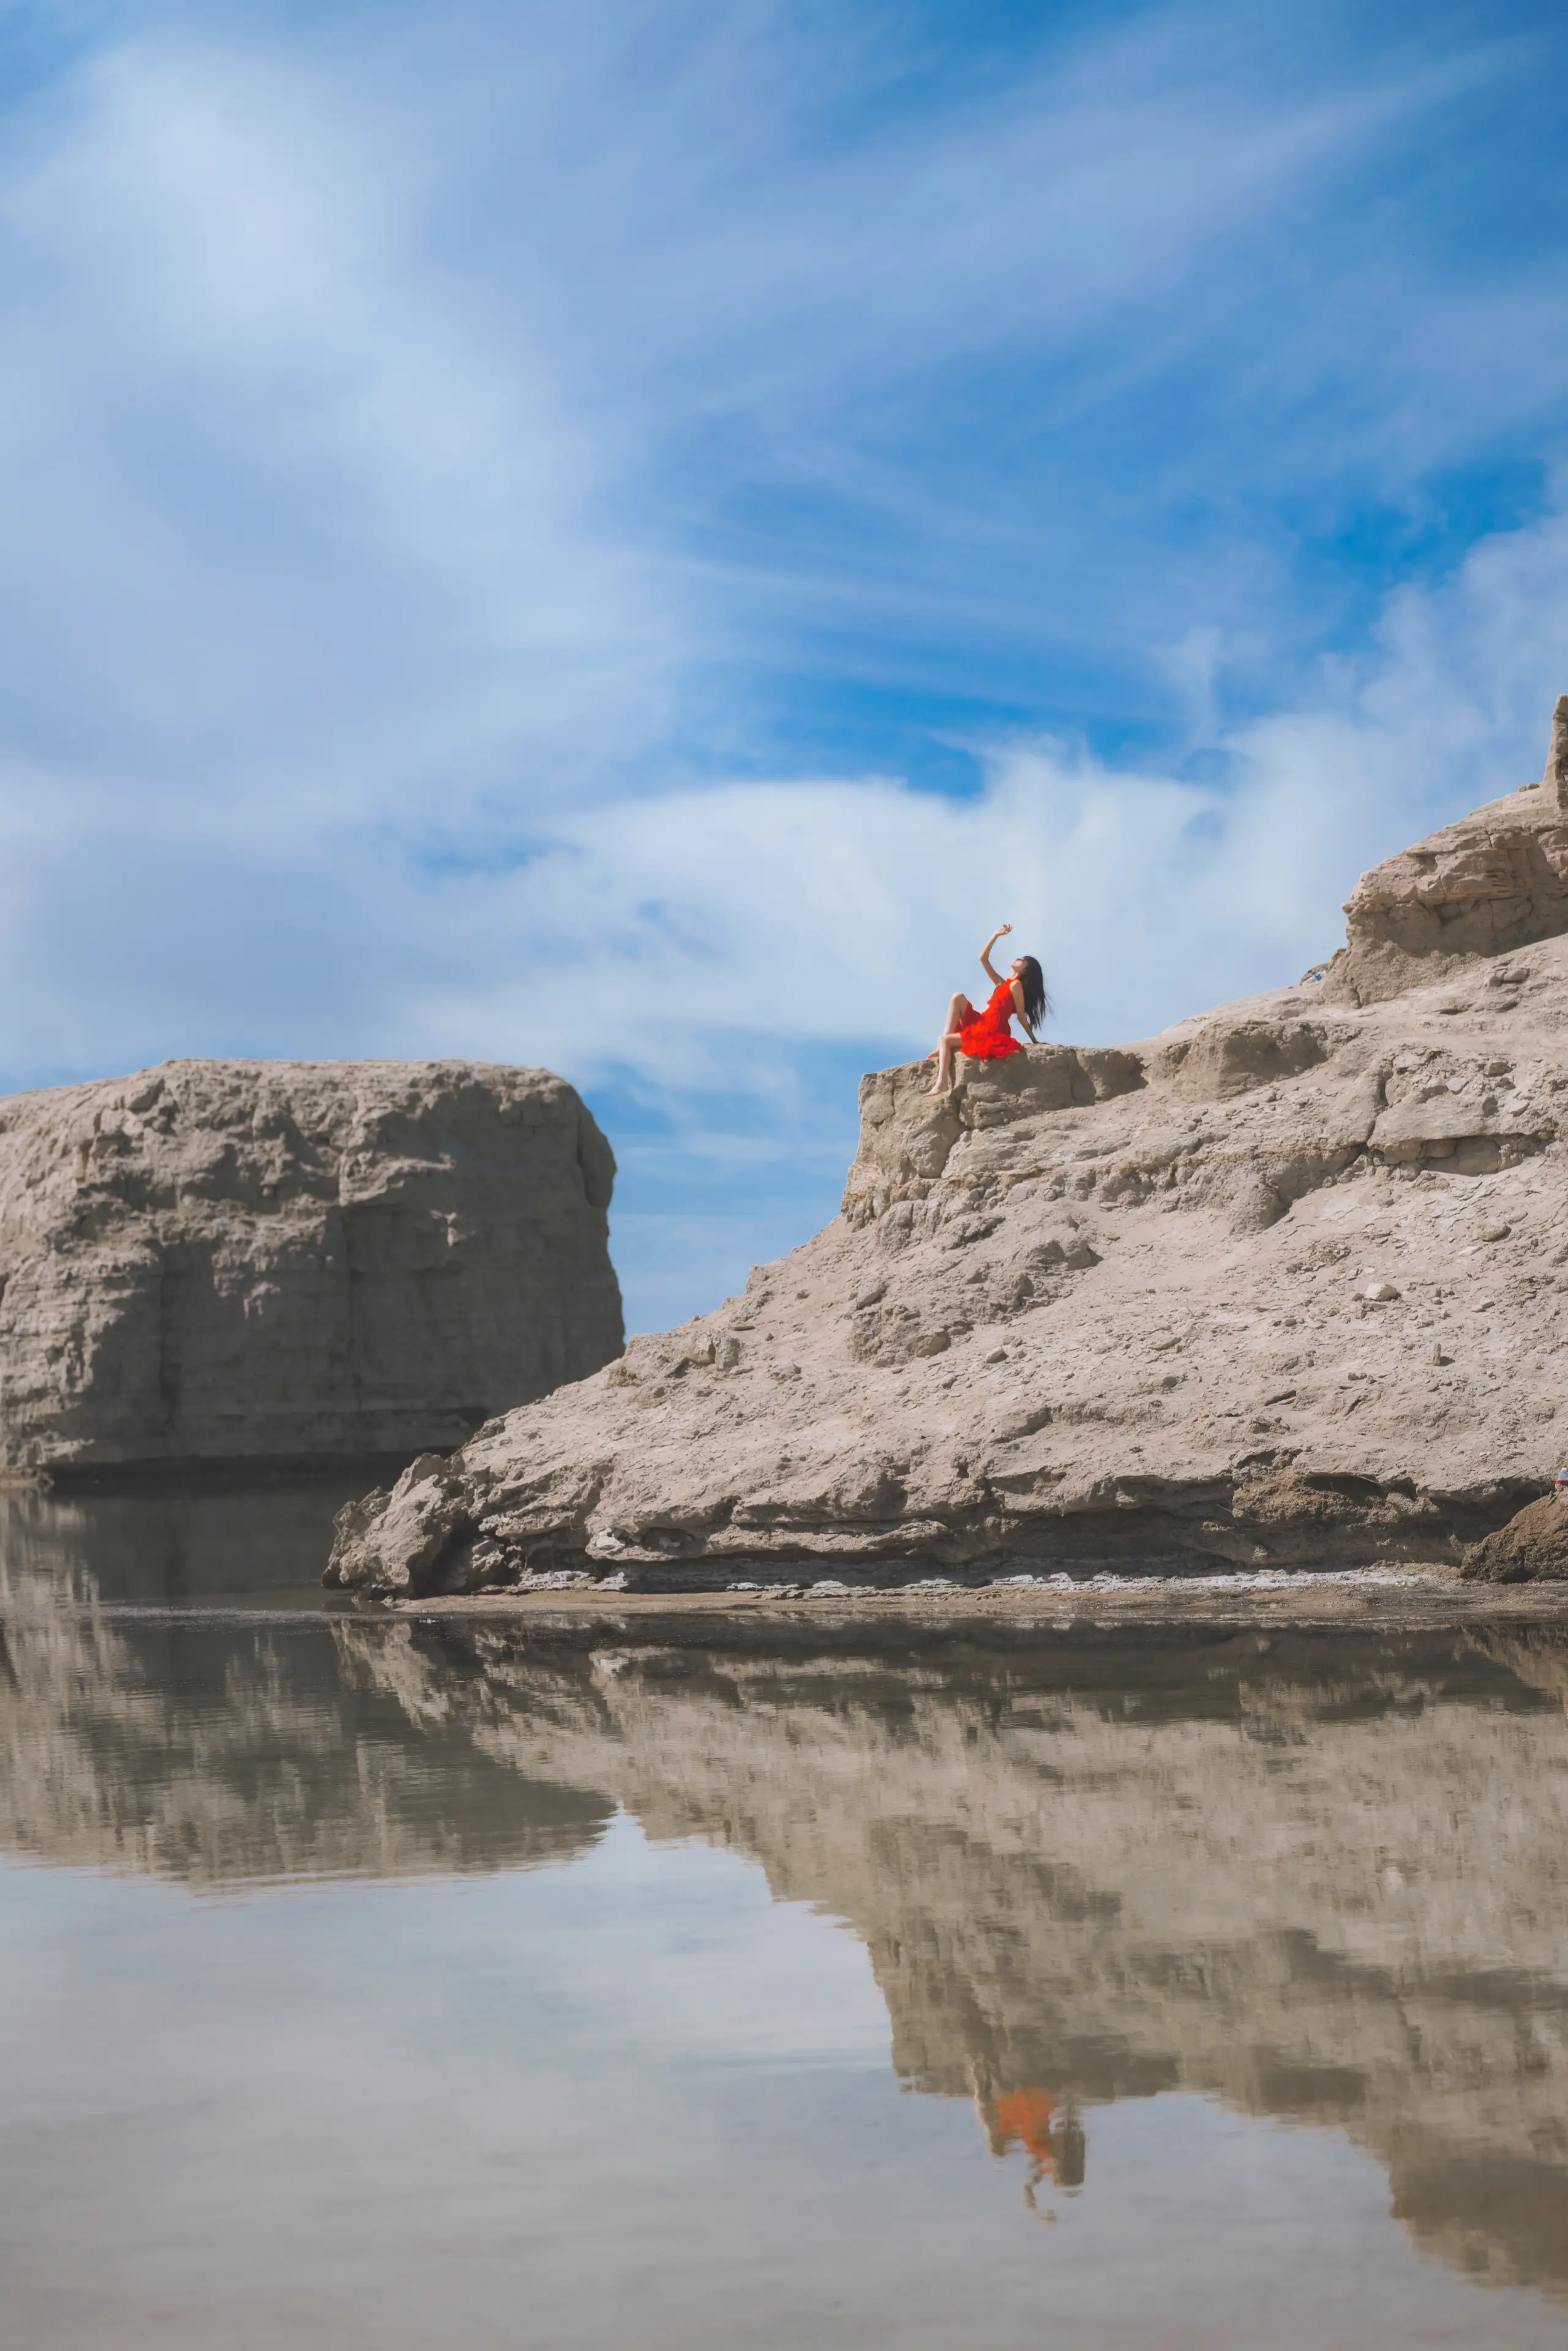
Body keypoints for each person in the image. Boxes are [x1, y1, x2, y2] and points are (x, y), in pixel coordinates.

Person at [923, 923, 1049, 1097]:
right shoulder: (1002, 984)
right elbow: (983, 959)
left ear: (1026, 970)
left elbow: (1021, 1016)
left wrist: (1034, 1040)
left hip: (991, 1028)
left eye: (1022, 960)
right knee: (957, 997)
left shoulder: (1016, 986)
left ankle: (942, 1084)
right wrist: (996, 935)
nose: (1017, 959)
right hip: (982, 1021)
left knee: (944, 1040)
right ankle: (944, 1045)